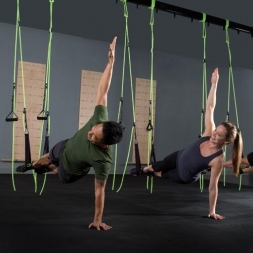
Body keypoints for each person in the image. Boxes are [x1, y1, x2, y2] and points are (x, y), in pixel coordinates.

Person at [16, 37, 123, 231]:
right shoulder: (100, 117)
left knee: (56, 171)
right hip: (66, 146)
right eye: (92, 130)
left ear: (104, 145)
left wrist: (97, 219)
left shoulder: (103, 161)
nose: (89, 132)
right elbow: (103, 89)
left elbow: (99, 191)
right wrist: (111, 63)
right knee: (44, 159)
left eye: (93, 137)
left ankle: (49, 168)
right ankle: (36, 166)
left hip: (70, 170)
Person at [142, 68, 243, 220]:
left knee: (162, 174)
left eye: (219, 135)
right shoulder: (209, 133)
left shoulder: (217, 160)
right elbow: (210, 108)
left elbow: (213, 187)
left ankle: (151, 172)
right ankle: (145, 169)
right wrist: (214, 84)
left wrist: (212, 211)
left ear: (227, 141)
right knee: (158, 164)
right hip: (179, 156)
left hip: (183, 176)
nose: (214, 134)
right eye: (216, 130)